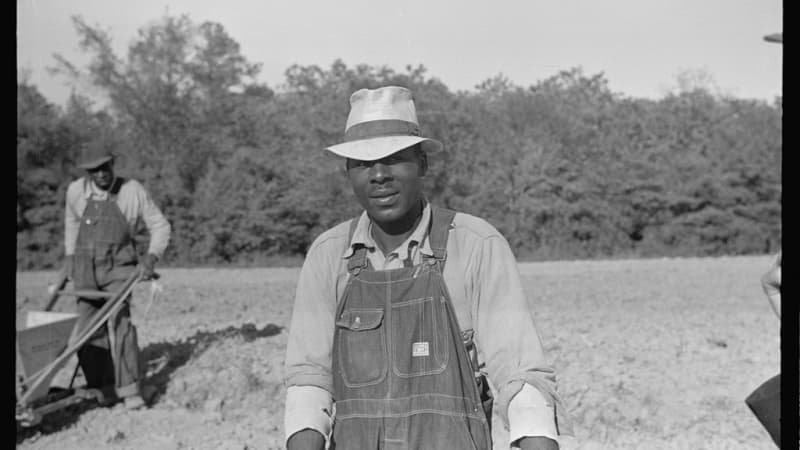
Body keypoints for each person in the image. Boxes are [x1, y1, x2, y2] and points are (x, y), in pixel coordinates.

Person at [283, 86, 573, 450]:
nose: (378, 175)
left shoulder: (475, 245)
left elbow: (519, 373)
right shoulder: (328, 256)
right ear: (348, 173)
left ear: (422, 163)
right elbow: (310, 381)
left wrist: (538, 439)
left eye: (394, 158)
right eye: (362, 163)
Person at [63, 143, 171, 410]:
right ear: (87, 172)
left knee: (121, 324)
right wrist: (69, 259)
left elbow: (160, 226)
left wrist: (150, 257)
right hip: (85, 267)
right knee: (87, 330)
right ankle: (103, 388)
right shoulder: (76, 191)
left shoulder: (131, 191)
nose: (101, 174)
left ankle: (130, 389)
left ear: (113, 165)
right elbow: (72, 222)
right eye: (95, 170)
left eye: (105, 167)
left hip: (119, 267)